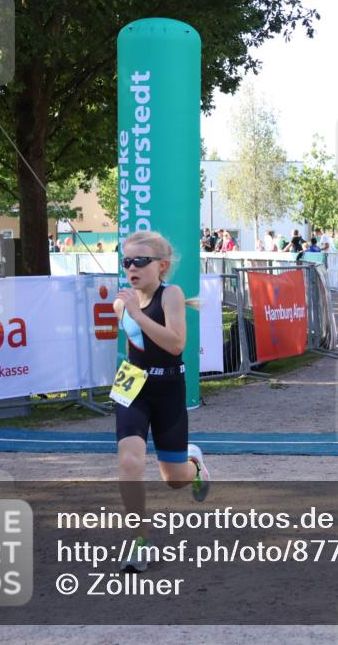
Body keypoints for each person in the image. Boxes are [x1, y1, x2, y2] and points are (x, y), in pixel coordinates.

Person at [114, 230, 210, 572]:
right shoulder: (123, 300)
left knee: (174, 478)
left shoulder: (172, 295)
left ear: (162, 265)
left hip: (168, 386)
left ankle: (194, 465)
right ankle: (141, 539)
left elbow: (175, 345)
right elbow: (126, 337)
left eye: (140, 261)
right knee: (129, 462)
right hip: (131, 385)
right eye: (126, 261)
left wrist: (137, 315)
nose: (131, 268)